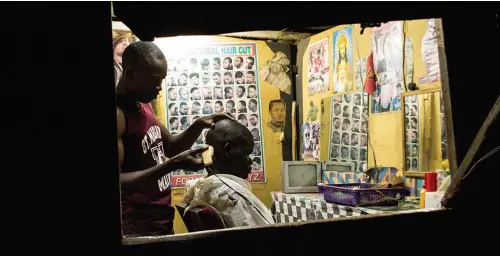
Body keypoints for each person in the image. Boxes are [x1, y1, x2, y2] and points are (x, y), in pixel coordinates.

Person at [115, 41, 232, 236]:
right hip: (136, 226)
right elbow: (117, 182)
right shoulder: (118, 115)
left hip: (159, 219)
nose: (159, 87)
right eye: (154, 80)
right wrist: (172, 165)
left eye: (161, 79)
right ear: (130, 74)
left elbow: (170, 146)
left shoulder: (143, 105)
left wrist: (199, 124)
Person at [183, 120, 275, 228]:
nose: (250, 161)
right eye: (246, 154)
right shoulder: (233, 196)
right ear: (228, 150)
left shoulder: (205, 188)